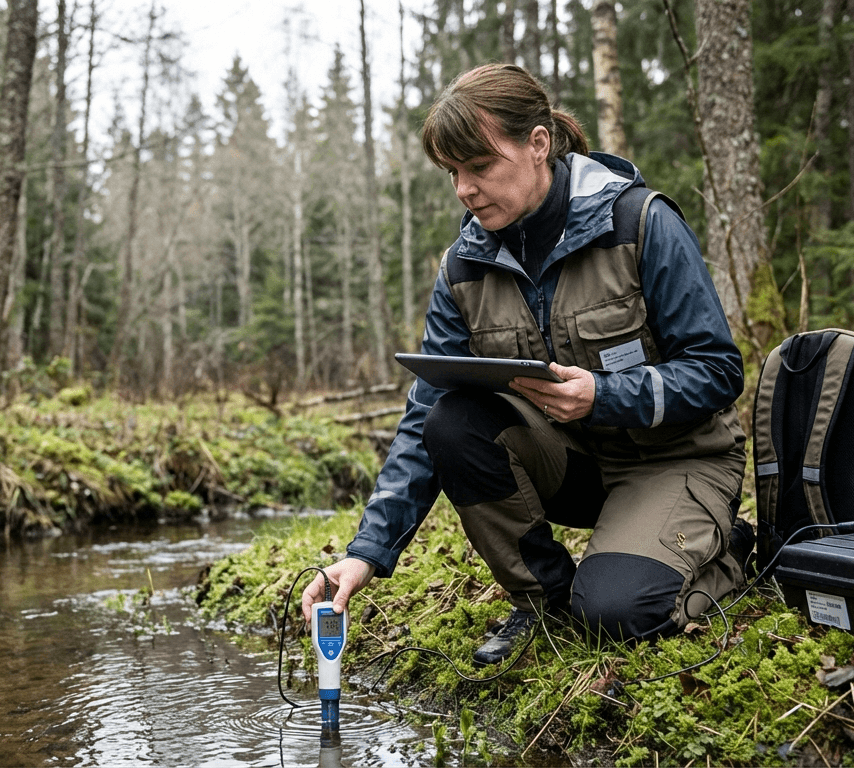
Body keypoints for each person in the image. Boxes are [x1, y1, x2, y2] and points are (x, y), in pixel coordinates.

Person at [301, 63, 750, 666]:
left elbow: (718, 370)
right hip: (574, 468)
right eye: (452, 172)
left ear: (538, 143)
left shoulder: (641, 222)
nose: (463, 189)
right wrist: (365, 554)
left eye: (479, 166)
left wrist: (605, 394)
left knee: (617, 614)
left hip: (676, 460)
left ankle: (734, 548)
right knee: (452, 421)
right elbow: (425, 419)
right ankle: (543, 600)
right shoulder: (462, 268)